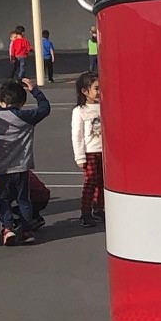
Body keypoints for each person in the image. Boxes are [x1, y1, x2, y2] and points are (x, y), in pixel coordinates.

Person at [0, 78, 50, 245]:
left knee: (3, 199)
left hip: (1, 167)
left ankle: (8, 228)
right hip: (22, 167)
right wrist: (35, 90)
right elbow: (45, 108)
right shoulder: (26, 117)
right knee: (24, 199)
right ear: (22, 102)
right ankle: (27, 230)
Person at [71, 71, 104, 227]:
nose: (99, 91)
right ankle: (85, 212)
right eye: (96, 88)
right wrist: (80, 157)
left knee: (103, 183)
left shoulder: (105, 107)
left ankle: (99, 209)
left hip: (105, 153)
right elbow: (77, 135)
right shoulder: (80, 110)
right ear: (85, 91)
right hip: (90, 153)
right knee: (90, 183)